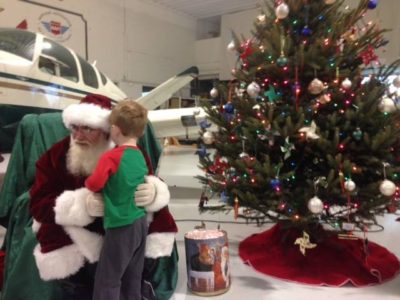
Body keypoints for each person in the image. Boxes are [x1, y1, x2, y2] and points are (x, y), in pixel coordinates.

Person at [29, 94, 178, 299]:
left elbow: (150, 179)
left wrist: (154, 192)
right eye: (75, 128)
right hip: (79, 237)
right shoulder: (56, 155)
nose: (78, 136)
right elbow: (37, 203)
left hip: (121, 227)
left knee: (122, 273)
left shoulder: (126, 151)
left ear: (109, 131)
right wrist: (80, 206)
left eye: (88, 129)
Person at [85, 100, 149, 300]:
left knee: (108, 279)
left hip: (121, 224)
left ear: (115, 130)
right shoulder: (140, 155)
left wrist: (88, 182)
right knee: (133, 275)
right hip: (140, 223)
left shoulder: (111, 157)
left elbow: (95, 184)